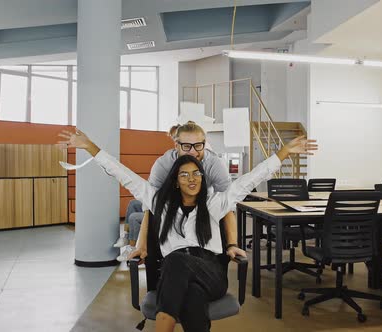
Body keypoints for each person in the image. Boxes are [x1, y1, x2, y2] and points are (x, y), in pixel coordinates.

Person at [58, 128, 317, 332]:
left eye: (196, 174)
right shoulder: (161, 203)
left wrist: (284, 151)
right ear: (175, 180)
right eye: (184, 175)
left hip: (211, 272)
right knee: (192, 298)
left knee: (177, 261)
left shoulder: (214, 204)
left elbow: (252, 179)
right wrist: (90, 147)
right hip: (178, 274)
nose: (192, 179)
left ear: (203, 178)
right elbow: (122, 174)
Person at [115, 122, 223, 262]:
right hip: (170, 205)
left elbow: (228, 202)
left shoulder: (213, 166)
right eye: (186, 146)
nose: (192, 151)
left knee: (135, 217)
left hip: (194, 213)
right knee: (134, 204)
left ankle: (130, 241)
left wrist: (231, 244)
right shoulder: (164, 164)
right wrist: (141, 246)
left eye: (197, 145)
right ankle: (127, 236)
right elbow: (148, 200)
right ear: (176, 145)